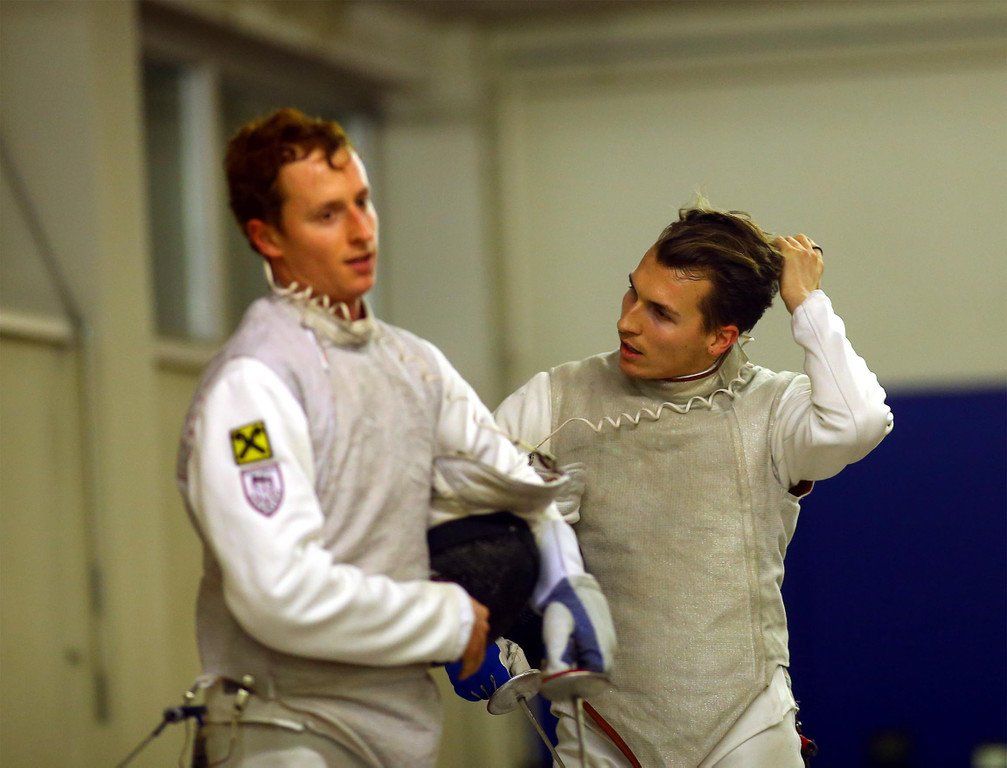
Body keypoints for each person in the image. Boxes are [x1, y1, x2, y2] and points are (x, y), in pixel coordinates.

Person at [175, 108, 614, 767]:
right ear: (267, 237)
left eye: (362, 201)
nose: (360, 231)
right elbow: (277, 591)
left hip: (398, 732)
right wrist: (446, 619)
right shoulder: (253, 386)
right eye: (327, 215)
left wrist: (563, 581)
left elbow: (510, 481)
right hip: (285, 734)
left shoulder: (412, 365)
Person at [495, 206, 893, 767]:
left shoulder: (772, 410)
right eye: (633, 293)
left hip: (745, 728)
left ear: (720, 337)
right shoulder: (557, 399)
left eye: (660, 312)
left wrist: (807, 302)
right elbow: (469, 516)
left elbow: (858, 421)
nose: (628, 322)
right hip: (601, 730)